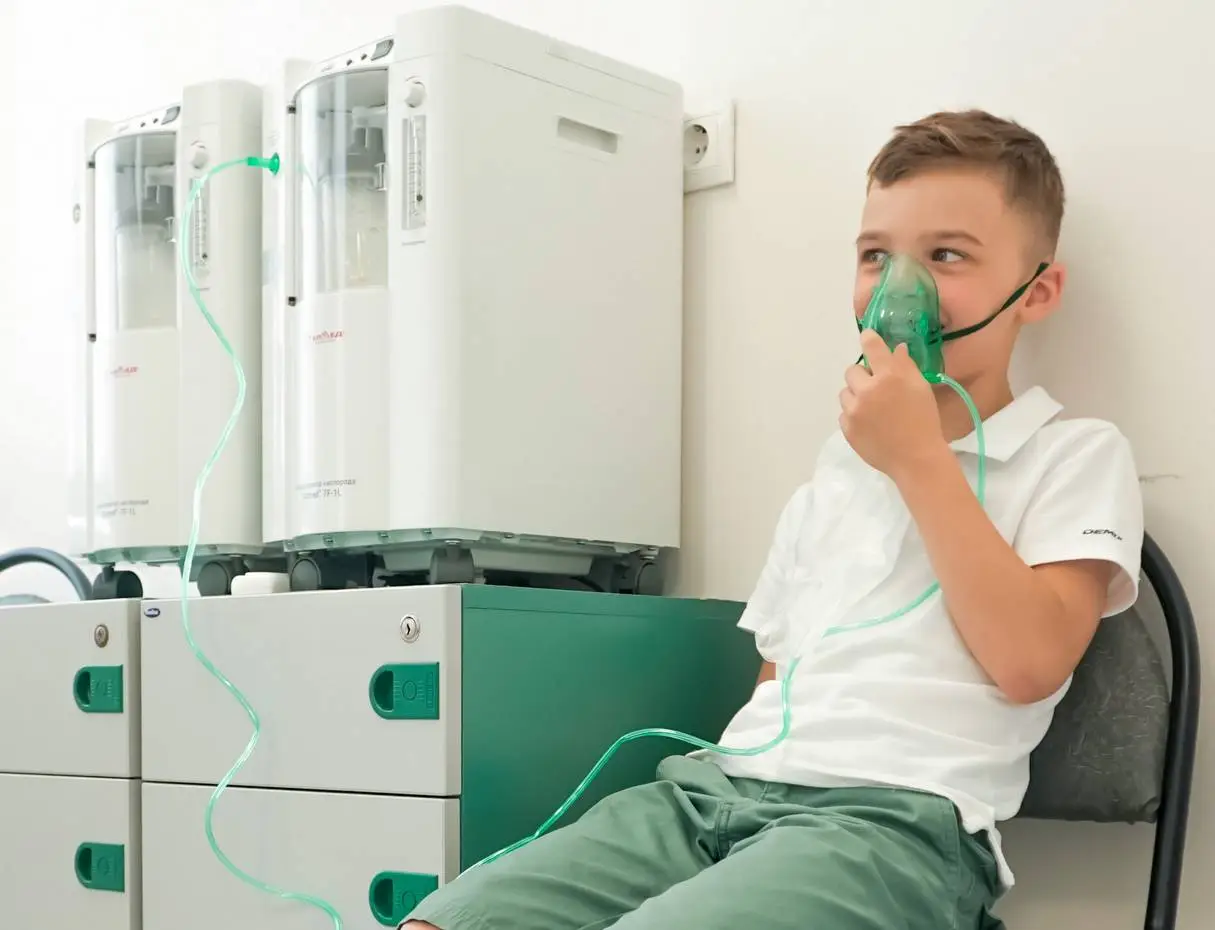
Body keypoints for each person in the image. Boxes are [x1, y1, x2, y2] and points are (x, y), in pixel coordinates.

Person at [403, 109, 1145, 930]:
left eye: (945, 256)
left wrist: (917, 460)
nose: (898, 289)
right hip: (710, 796)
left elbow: (1030, 664)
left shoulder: (1073, 455)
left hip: (891, 825)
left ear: (1035, 292)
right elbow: (776, 685)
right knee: (442, 922)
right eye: (875, 256)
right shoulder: (833, 477)